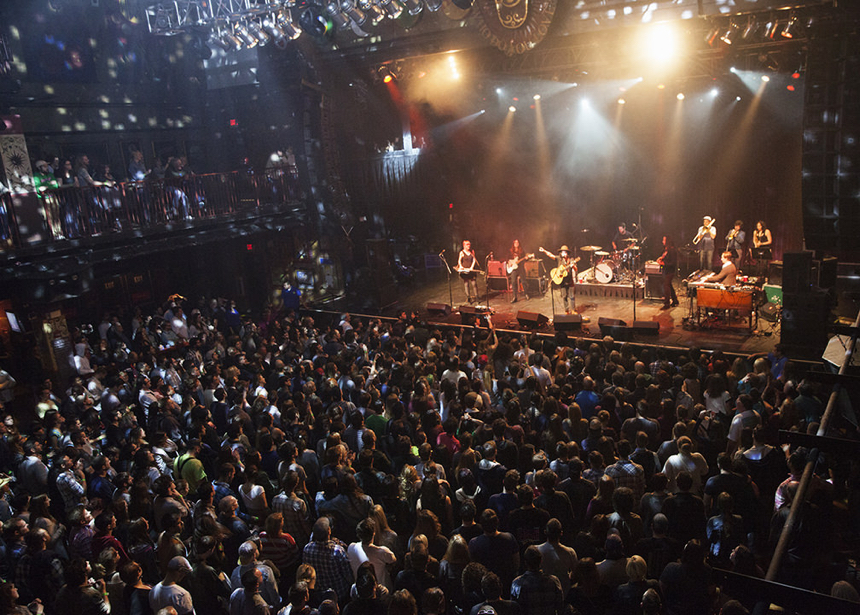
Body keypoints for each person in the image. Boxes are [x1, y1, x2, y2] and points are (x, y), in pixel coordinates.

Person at [538, 246, 578, 315]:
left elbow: (576, 269)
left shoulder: (571, 260)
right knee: (564, 296)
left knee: (571, 296)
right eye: (562, 252)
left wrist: (573, 266)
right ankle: (567, 310)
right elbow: (550, 255)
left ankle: (573, 310)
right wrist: (544, 251)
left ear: (567, 253)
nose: (563, 253)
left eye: (565, 252)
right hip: (562, 281)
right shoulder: (559, 259)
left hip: (570, 281)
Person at [656, 236, 679, 310]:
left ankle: (667, 304)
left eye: (664, 240)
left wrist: (663, 263)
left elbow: (672, 262)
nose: (662, 241)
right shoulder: (666, 250)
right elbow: (665, 258)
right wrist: (661, 258)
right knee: (669, 285)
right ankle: (675, 300)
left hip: (670, 271)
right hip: (666, 270)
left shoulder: (672, 250)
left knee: (666, 286)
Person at [507, 239, 531, 304]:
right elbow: (507, 259)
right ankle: (515, 297)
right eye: (515, 242)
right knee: (513, 281)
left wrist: (526, 258)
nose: (516, 243)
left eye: (517, 242)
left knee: (523, 281)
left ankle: (526, 294)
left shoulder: (522, 251)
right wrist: (509, 263)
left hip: (520, 268)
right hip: (514, 268)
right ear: (513, 244)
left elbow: (524, 259)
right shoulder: (510, 251)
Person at [457, 240, 480, 304]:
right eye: (467, 244)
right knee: (466, 284)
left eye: (469, 244)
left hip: (471, 270)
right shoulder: (461, 252)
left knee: (474, 284)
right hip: (465, 270)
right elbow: (459, 260)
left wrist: (472, 267)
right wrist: (461, 266)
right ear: (464, 245)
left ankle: (477, 297)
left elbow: (474, 260)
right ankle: (468, 297)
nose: (469, 245)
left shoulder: (472, 251)